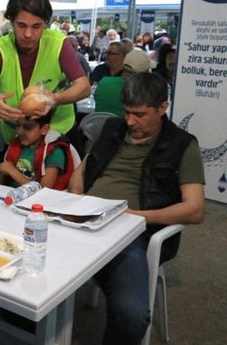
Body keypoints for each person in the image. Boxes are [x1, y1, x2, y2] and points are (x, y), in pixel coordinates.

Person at [68, 72, 205, 345]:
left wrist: (134, 217)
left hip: (131, 234)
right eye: (127, 112)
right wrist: (77, 202)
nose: (130, 122)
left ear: (162, 107)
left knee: (131, 315)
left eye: (140, 114)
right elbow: (80, 174)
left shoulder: (181, 144)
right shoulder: (113, 129)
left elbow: (195, 209)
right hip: (84, 218)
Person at [0, 0, 90, 142]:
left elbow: (84, 87)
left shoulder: (58, 44)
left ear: (46, 23)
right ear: (11, 21)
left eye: (36, 26)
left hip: (57, 133)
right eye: (21, 25)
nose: (28, 34)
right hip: (17, 135)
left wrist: (55, 99)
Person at [0, 107, 79, 190]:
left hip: (38, 198)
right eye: (18, 125)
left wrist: (12, 171)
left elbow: (43, 191)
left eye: (27, 127)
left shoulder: (54, 152)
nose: (20, 132)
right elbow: (0, 179)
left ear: (44, 129)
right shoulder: (16, 145)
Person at [94, 49, 151, 118]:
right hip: (127, 125)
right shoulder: (145, 92)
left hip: (99, 124)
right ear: (146, 72)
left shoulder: (104, 81)